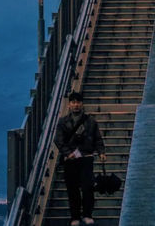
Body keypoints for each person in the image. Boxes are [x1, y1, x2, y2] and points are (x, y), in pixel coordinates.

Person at [55, 90, 106, 226]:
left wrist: (101, 152)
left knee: (87, 187)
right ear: (69, 105)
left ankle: (87, 214)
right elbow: (58, 140)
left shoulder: (90, 121)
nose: (76, 105)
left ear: (82, 104)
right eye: (73, 102)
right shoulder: (63, 122)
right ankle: (75, 216)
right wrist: (67, 153)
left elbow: (97, 138)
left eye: (78, 102)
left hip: (86, 157)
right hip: (71, 159)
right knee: (72, 189)